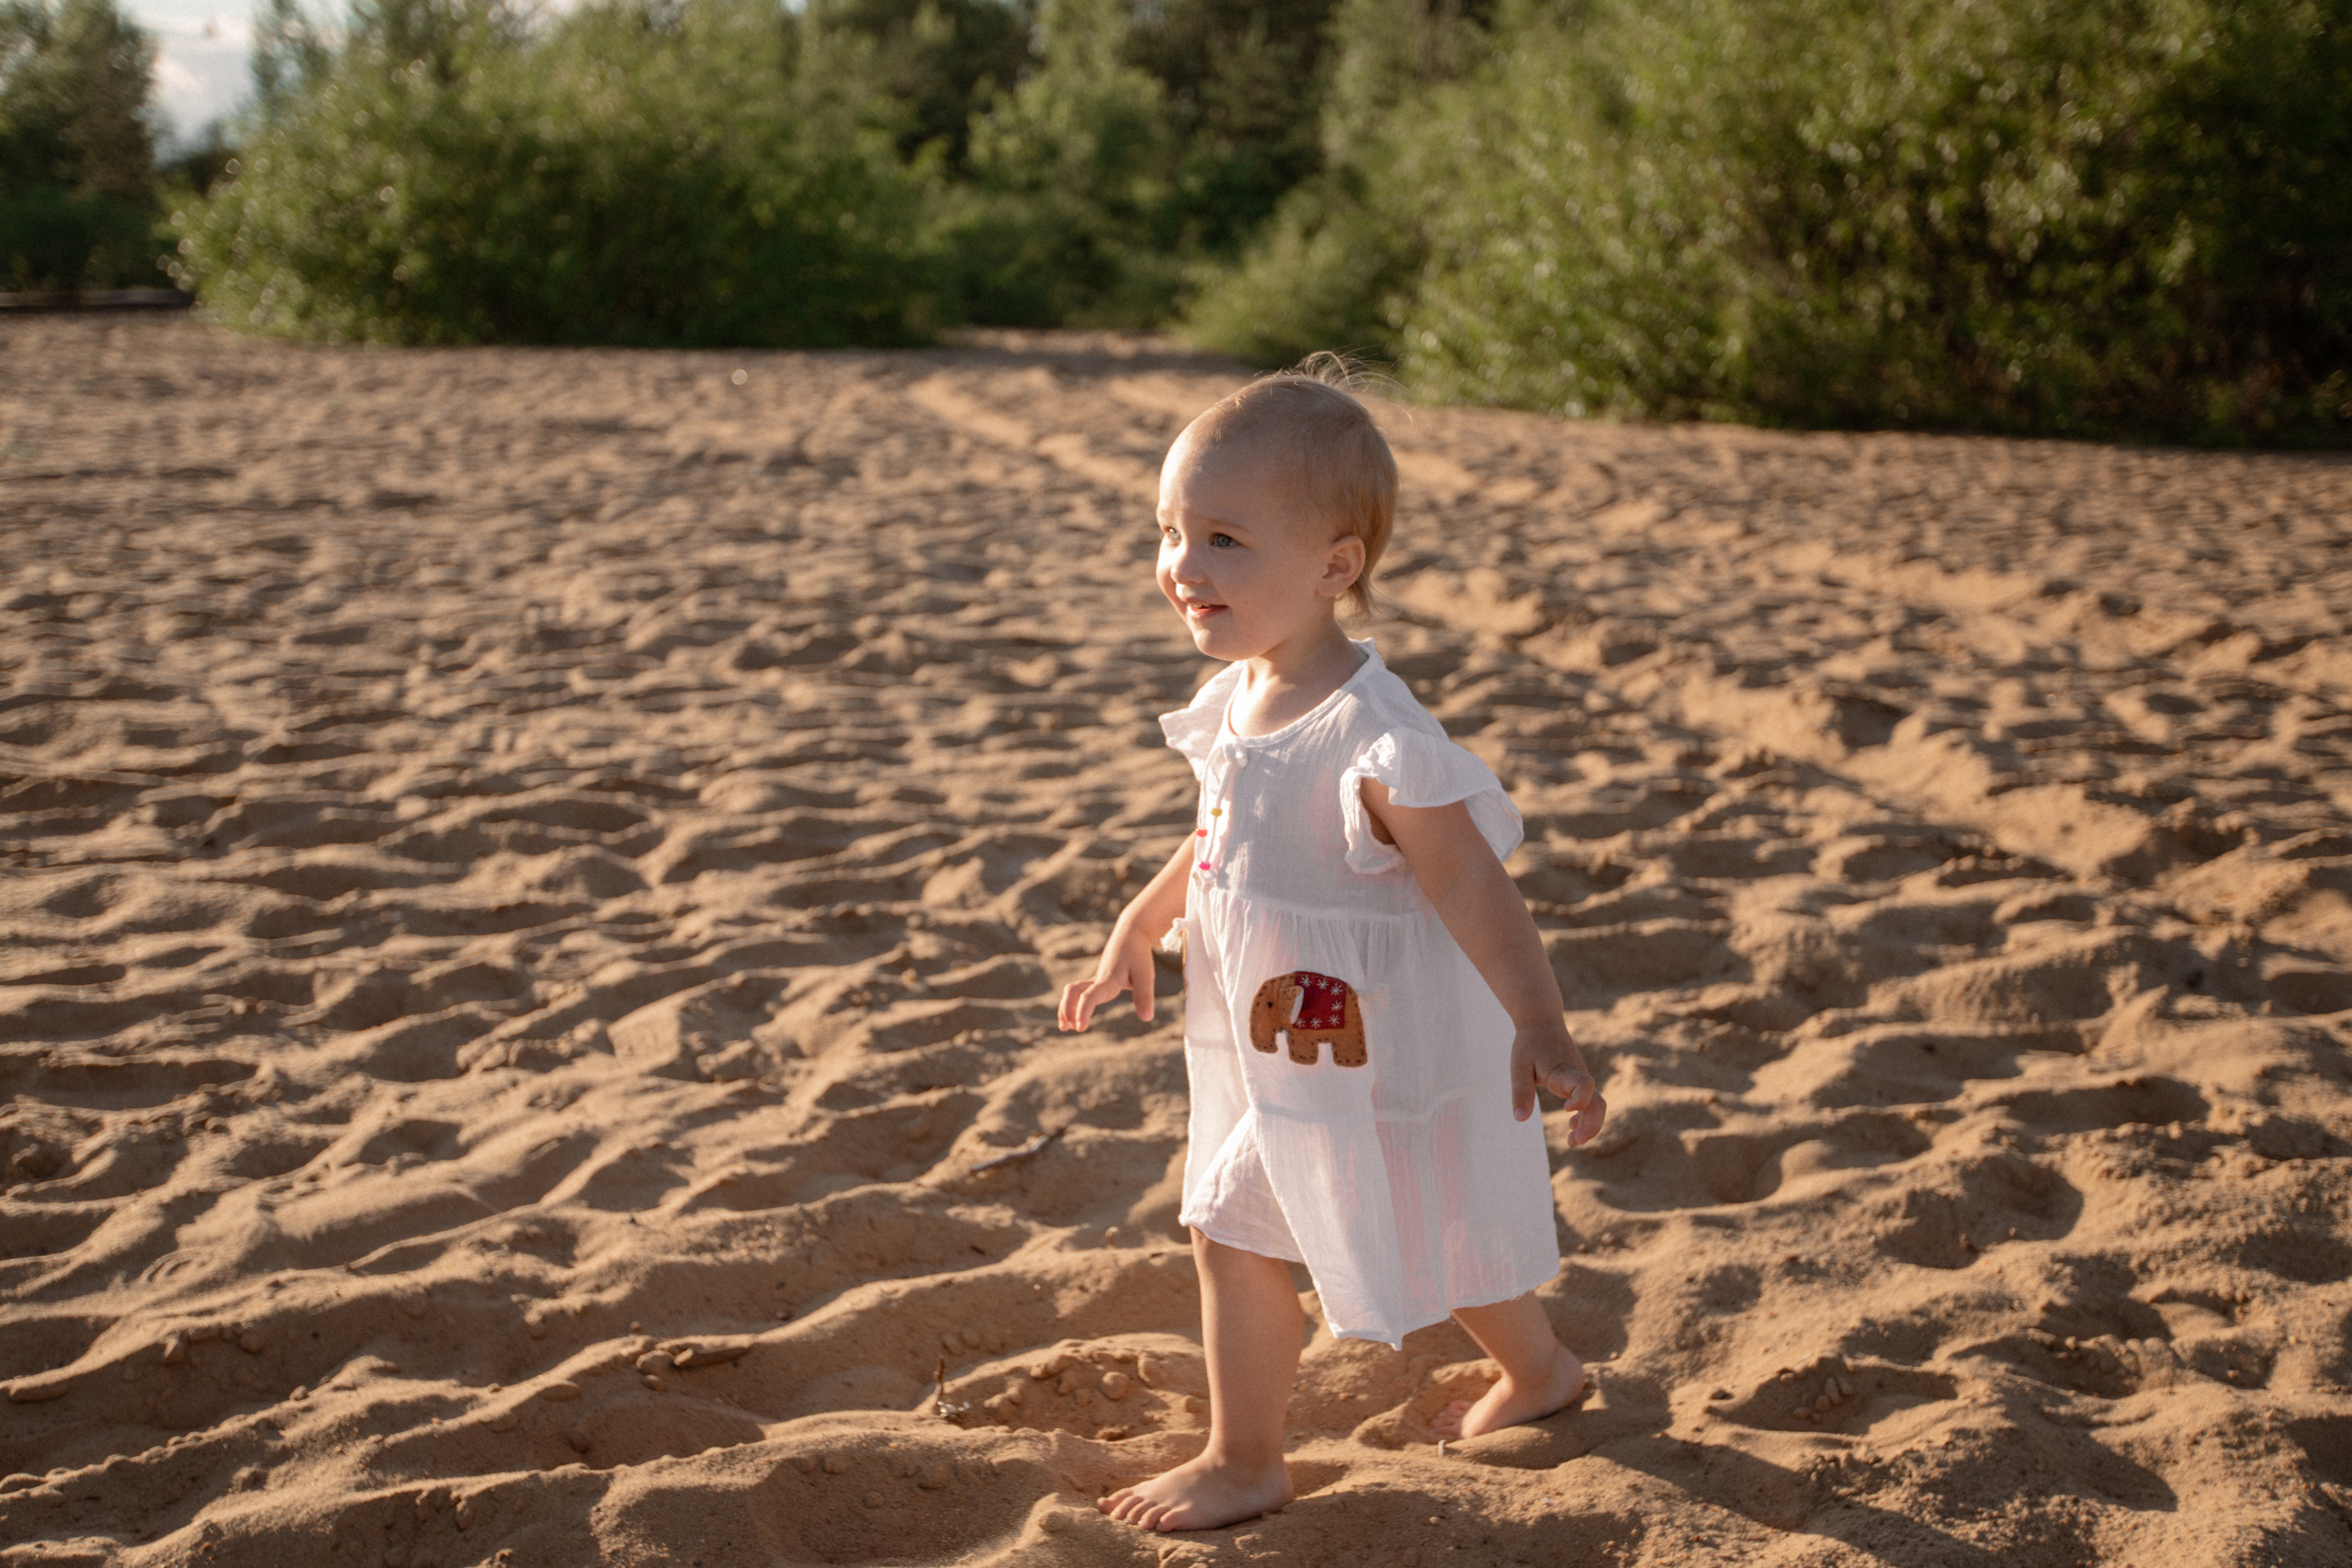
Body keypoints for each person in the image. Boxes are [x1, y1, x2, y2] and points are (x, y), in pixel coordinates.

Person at [1056, 361, 1609, 1534]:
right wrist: (1138, 924)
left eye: (1223, 539)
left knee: (1229, 1229)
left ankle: (1245, 1459)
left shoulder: (1373, 732)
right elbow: (1220, 833)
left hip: (1361, 1039)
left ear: (1334, 566)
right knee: (1430, 1205)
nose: (1183, 568)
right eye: (1169, 533)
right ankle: (1543, 1371)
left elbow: (1469, 881)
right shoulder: (1248, 691)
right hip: (1284, 1032)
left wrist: (1542, 1026)